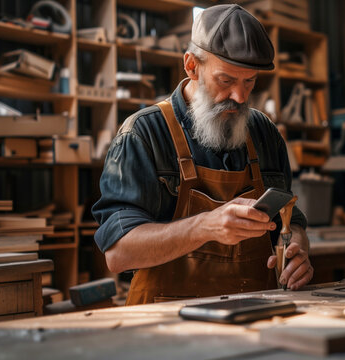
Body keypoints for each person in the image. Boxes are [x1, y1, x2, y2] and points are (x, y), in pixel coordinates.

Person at [92, 4, 313, 305]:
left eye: (249, 81)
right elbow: (118, 253)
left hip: (254, 313)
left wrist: (296, 248)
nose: (240, 96)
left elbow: (292, 218)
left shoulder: (264, 133)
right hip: (165, 325)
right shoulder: (143, 135)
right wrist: (205, 226)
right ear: (192, 66)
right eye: (226, 80)